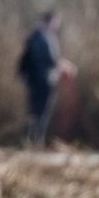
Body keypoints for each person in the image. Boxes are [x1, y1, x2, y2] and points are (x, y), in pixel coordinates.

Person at [18, 11, 61, 146]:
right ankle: (36, 141)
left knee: (36, 112)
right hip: (42, 81)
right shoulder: (41, 38)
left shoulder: (35, 37)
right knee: (39, 112)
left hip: (38, 81)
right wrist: (61, 65)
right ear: (49, 22)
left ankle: (34, 140)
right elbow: (50, 60)